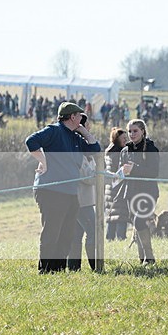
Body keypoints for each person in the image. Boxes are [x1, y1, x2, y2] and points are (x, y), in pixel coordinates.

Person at [25, 101, 101, 273]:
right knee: (52, 231)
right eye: (81, 116)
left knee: (67, 233)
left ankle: (57, 271)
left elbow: (95, 149)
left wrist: (83, 131)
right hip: (51, 191)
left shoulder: (76, 138)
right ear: (73, 116)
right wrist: (43, 161)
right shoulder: (54, 130)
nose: (83, 119)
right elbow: (31, 141)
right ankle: (45, 270)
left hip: (70, 193)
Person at [120, 119, 159, 265]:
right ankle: (142, 259)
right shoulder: (125, 150)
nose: (132, 134)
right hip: (131, 192)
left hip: (148, 192)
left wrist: (134, 168)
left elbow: (154, 171)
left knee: (139, 220)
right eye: (129, 131)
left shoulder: (151, 148)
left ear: (143, 131)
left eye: (135, 131)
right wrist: (120, 173)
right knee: (135, 223)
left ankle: (150, 258)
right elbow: (122, 170)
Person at [68, 114, 98, 271]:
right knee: (93, 231)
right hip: (81, 201)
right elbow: (87, 176)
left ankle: (74, 269)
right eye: (87, 127)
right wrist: (100, 176)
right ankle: (96, 267)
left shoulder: (80, 149)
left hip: (81, 199)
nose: (89, 130)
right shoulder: (78, 151)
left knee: (76, 235)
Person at [104, 127, 130, 241]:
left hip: (111, 188)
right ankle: (121, 237)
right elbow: (118, 171)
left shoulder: (110, 151)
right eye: (123, 138)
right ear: (117, 139)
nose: (126, 140)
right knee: (121, 215)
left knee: (111, 215)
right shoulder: (118, 153)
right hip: (118, 187)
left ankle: (110, 237)